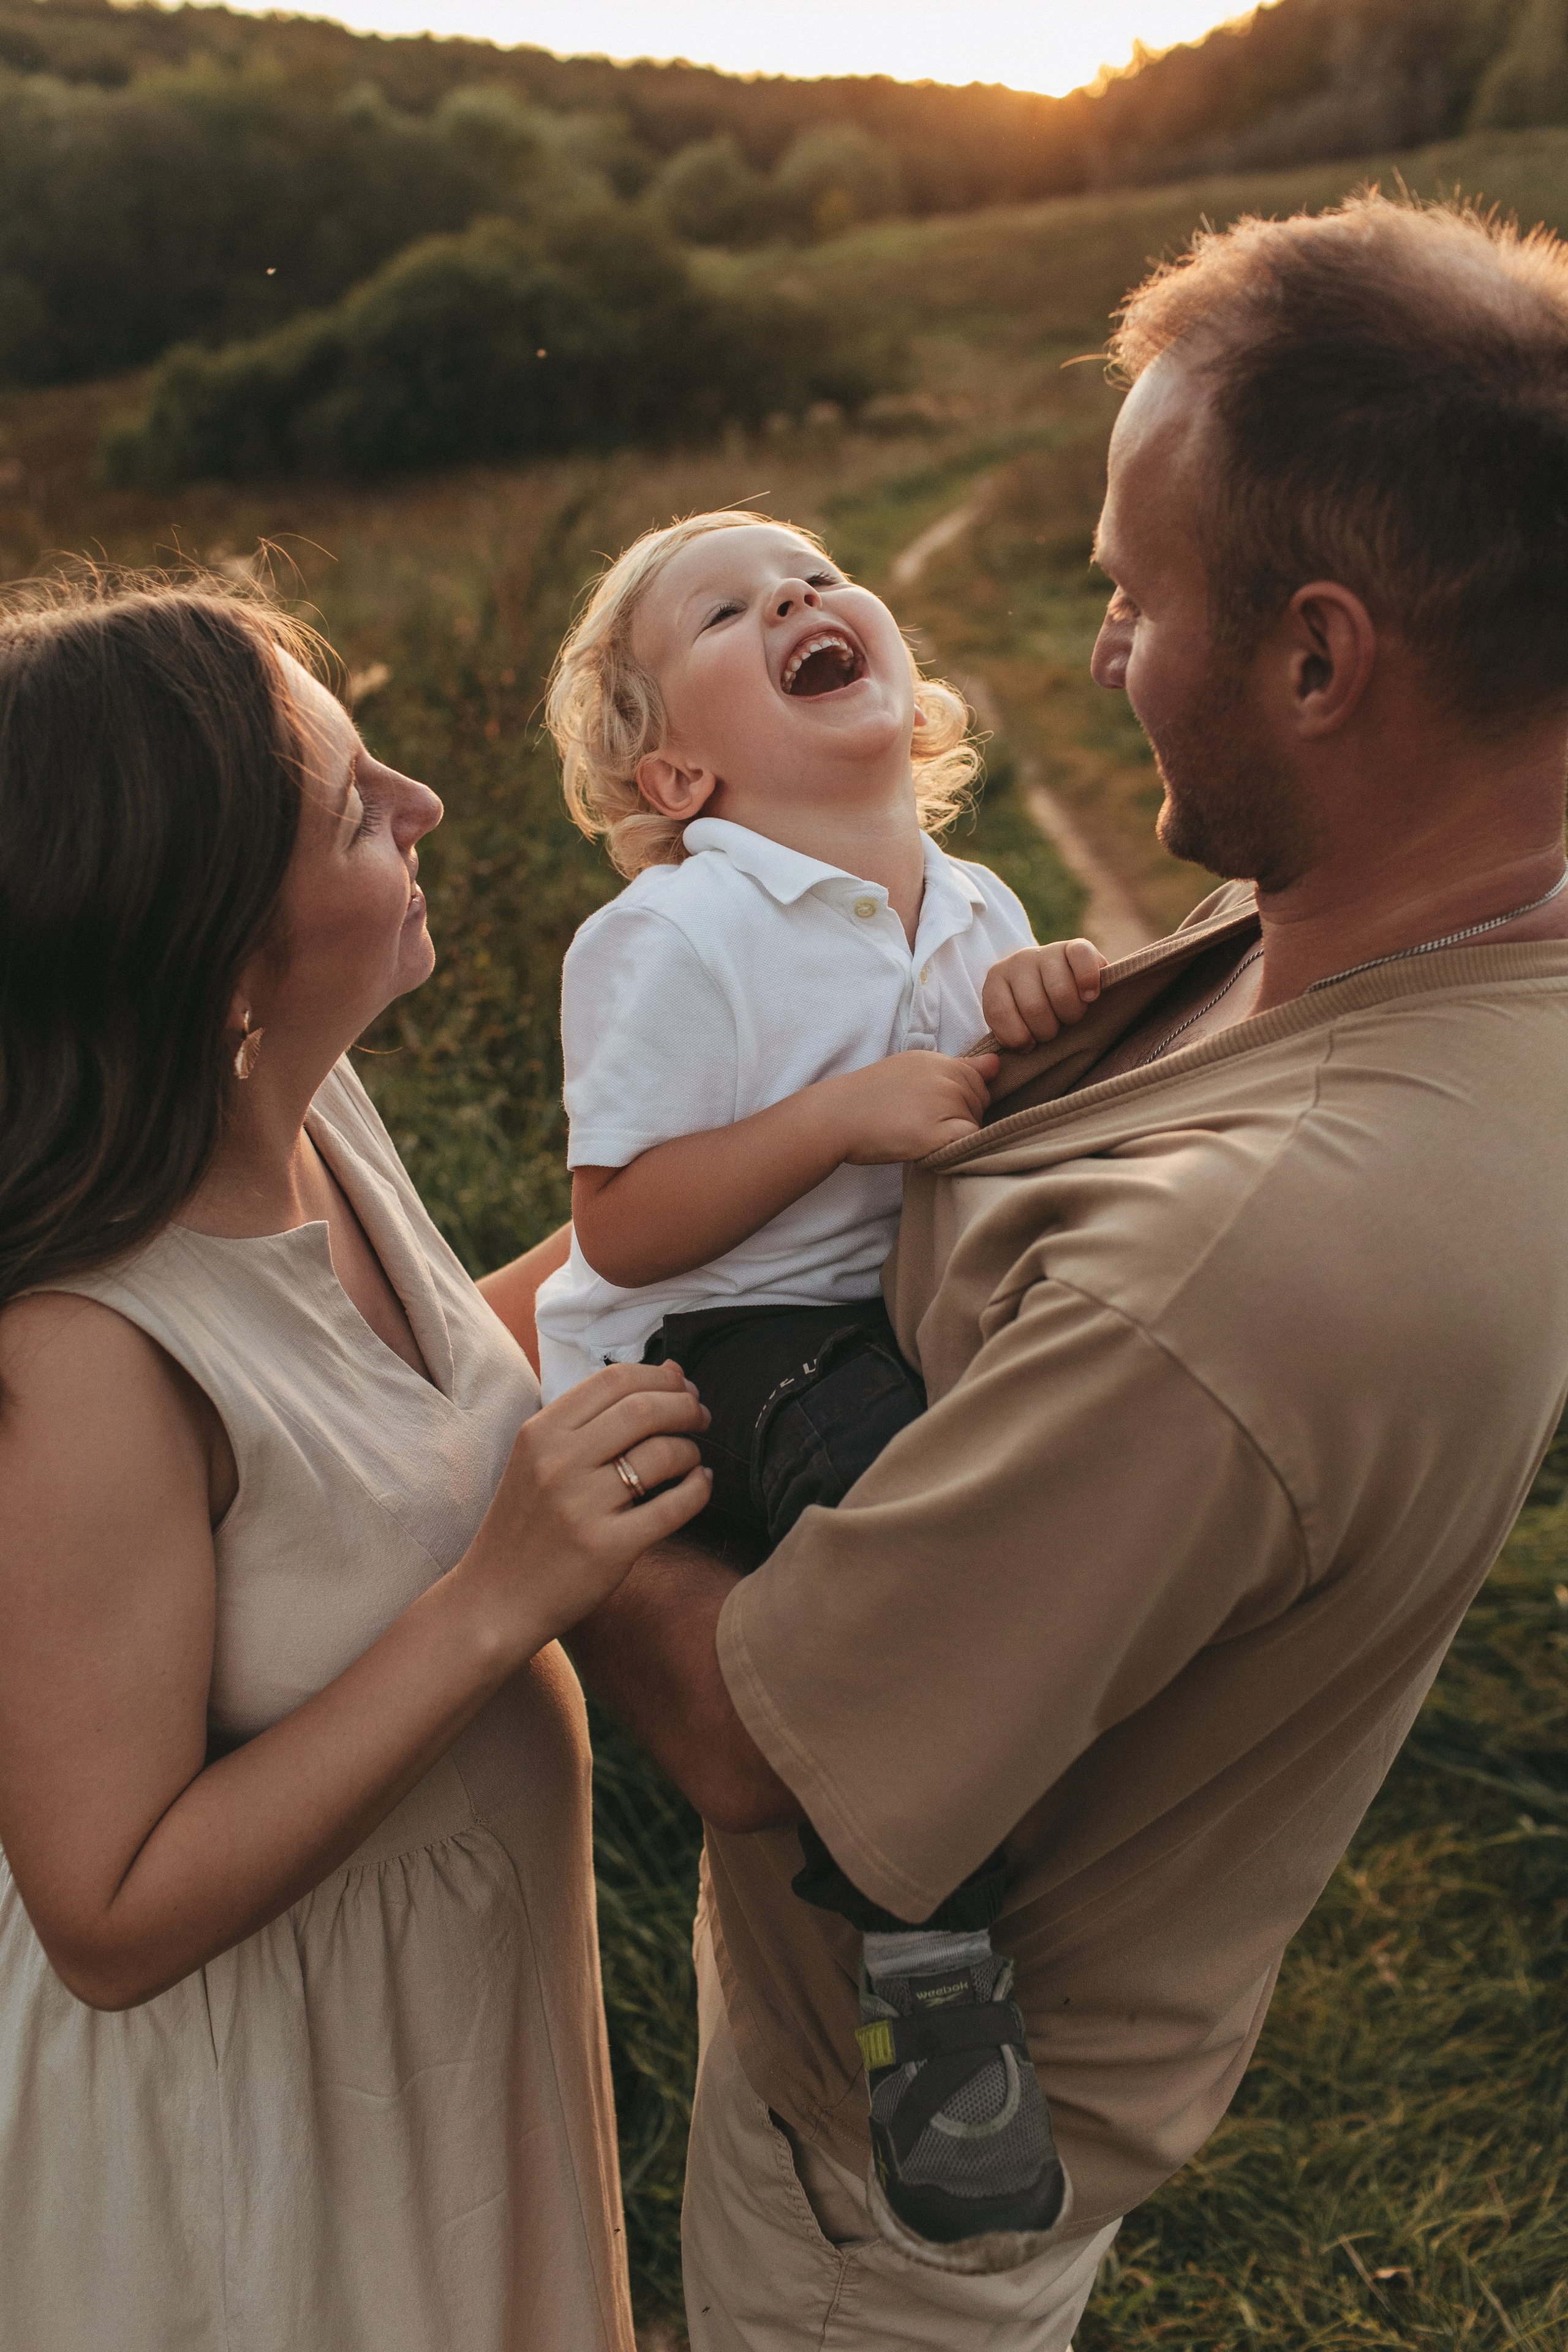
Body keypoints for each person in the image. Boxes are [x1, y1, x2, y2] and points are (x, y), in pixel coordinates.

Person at [568, 191, 1568, 2351]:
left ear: (1319, 659)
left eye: (1133, 601)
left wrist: (504, 1461)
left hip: (883, 2214)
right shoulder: (1386, 922)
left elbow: (762, 1738)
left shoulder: (1235, 1271)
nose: (1104, 653)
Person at [0, 577, 710, 2352]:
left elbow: (367, 1420)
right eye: (350, 806)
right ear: (224, 955)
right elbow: (103, 1912)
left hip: (440, 2037)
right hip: (258, 2138)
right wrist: (496, 1606)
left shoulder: (303, 1106)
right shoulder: (81, 1353)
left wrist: (772, 1186)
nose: (426, 803)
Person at [535, 509, 1112, 2267]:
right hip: (725, 1342)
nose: (796, 592)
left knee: (1046, 1459)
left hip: (892, 1305)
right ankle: (916, 1941)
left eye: (814, 569)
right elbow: (620, 1223)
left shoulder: (977, 894)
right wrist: (839, 1118)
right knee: (893, 1490)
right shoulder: (677, 934)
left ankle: (1034, 1761)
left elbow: (991, 1118)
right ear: (677, 770)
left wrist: (1038, 1017)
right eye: (726, 603)